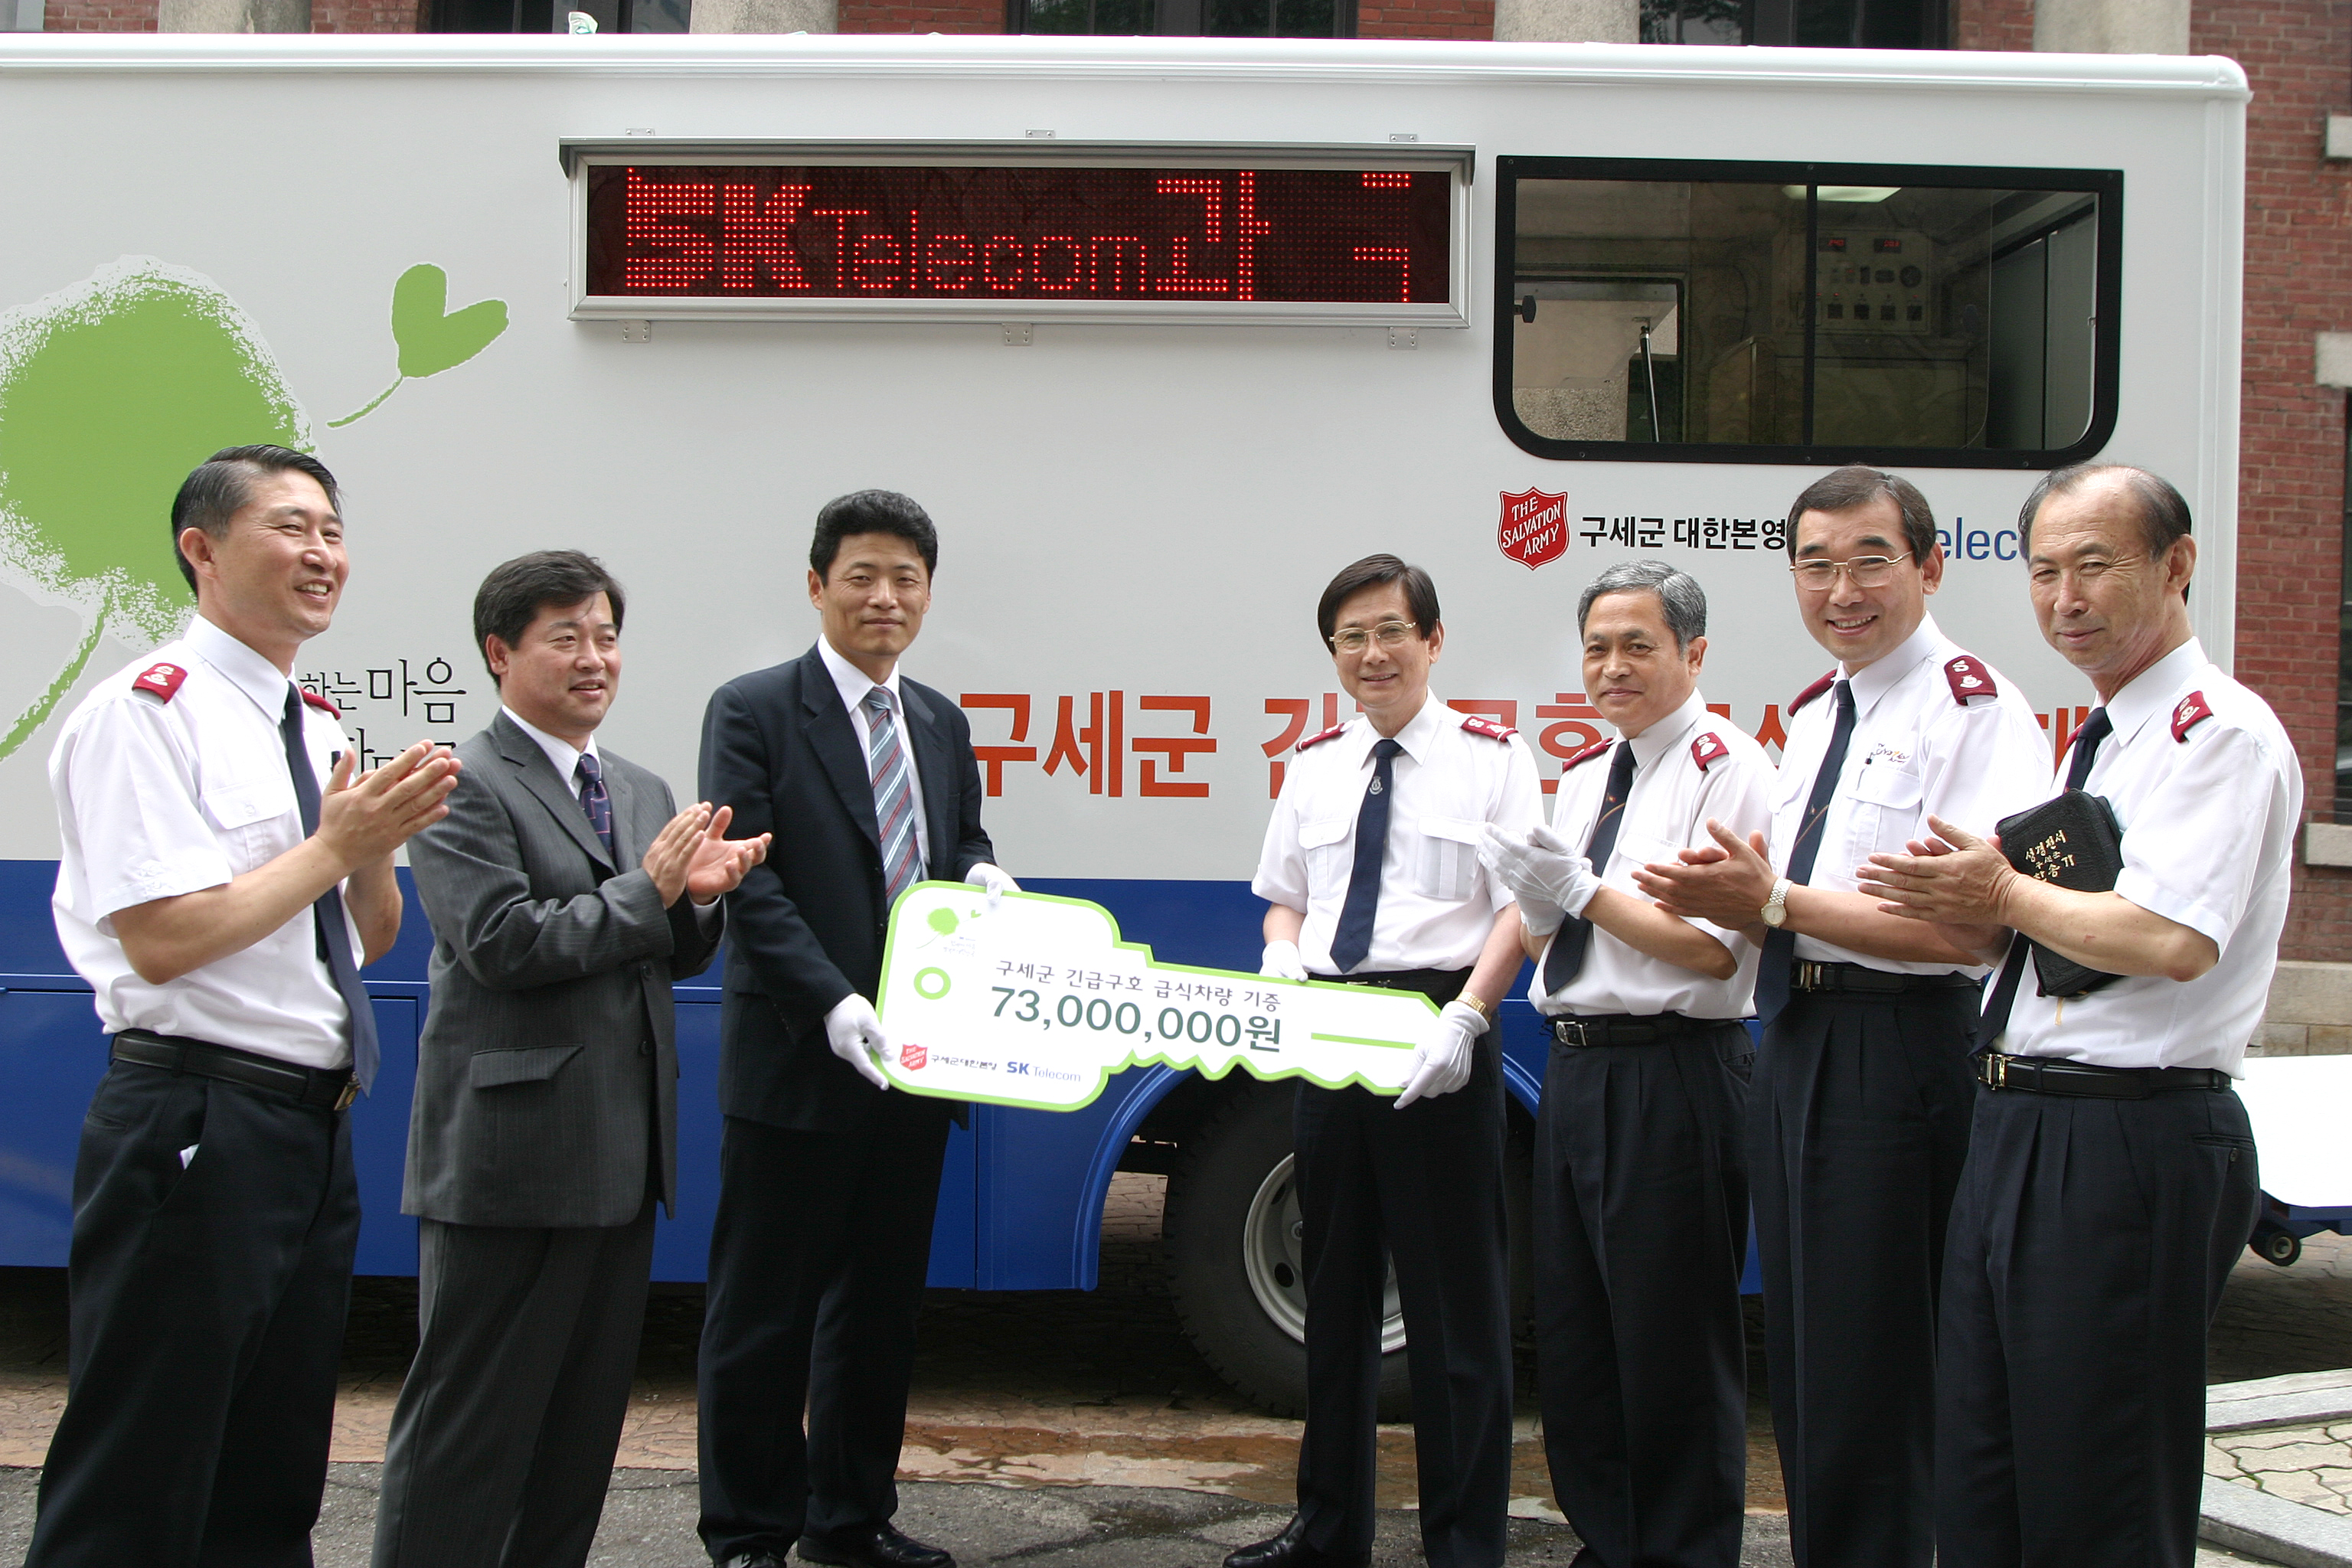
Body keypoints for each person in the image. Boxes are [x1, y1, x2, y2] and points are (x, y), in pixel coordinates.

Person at [29, 445, 461, 1567]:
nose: (323, 553)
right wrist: (335, 846)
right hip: (196, 1115)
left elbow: (365, 939)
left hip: (308, 1126)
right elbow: (165, 940)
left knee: (272, 1470)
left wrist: (369, 855)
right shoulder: (146, 714)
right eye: (291, 527)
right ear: (202, 550)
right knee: (143, 1462)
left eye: (331, 530)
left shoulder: (317, 725)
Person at [1857, 464, 2292, 1568]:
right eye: (2045, 571)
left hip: (2126, 1136)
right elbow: (2070, 934)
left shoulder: (2217, 734)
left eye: (2095, 566)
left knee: (2095, 1489)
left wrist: (2000, 893)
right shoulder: (2100, 736)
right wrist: (1976, 912)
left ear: (2177, 565)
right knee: (1988, 1465)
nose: (2065, 598)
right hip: (2018, 1123)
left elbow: (2170, 940)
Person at [1633, 466, 2050, 1568]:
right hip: (1802, 1037)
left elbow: (1977, 933)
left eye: (1869, 559)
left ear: (1928, 564)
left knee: (1883, 1363)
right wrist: (1738, 897)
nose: (1840, 589)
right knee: (1813, 1357)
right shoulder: (1821, 710)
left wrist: (1767, 902)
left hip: (1903, 1052)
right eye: (1814, 565)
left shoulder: (1974, 708)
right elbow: (1795, 899)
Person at [371, 551, 769, 1568]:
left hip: (623, 1155)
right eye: (565, 637)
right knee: (470, 1429)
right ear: (500, 654)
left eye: (605, 636)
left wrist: (703, 895)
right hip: (509, 1159)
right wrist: (651, 890)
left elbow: (663, 950)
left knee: (578, 1434)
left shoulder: (637, 787)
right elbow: (504, 943)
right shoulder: (462, 788)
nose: (594, 659)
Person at [695, 490, 1016, 1568]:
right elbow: (753, 887)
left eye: (907, 578)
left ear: (928, 592)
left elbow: (957, 839)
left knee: (878, 1316)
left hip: (915, 1067)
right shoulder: (752, 711)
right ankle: (748, 1531)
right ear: (817, 584)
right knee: (764, 1315)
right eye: (863, 576)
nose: (886, 598)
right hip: (798, 1058)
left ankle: (850, 1520)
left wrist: (982, 872)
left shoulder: (935, 719)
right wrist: (833, 1001)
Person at [1229, 553, 1542, 1568]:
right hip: (1329, 1040)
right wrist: (1281, 957)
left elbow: (1523, 907)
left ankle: (1463, 1545)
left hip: (1435, 1032)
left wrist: (1467, 1017)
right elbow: (1286, 894)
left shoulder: (1493, 758)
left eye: (1390, 632)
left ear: (1433, 639)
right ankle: (1329, 1531)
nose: (1371, 655)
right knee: (1337, 1295)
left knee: (1456, 1316)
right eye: (1350, 638)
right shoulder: (1315, 764)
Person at [1478, 561, 1772, 1568]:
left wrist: (1584, 890)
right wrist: (1538, 896)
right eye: (1597, 647)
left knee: (1672, 1344)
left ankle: (1684, 1552)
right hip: (1580, 1072)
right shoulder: (1586, 771)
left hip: (1676, 1074)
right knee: (1580, 1336)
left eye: (1636, 645)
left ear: (1693, 654)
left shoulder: (1728, 768)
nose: (1612, 667)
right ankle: (1611, 1542)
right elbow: (1548, 918)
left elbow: (1713, 949)